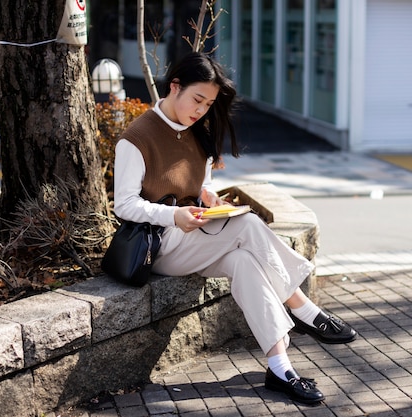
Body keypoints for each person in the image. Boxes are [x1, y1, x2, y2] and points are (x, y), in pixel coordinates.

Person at [113, 52, 357, 405]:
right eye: (197, 100)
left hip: (197, 236)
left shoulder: (199, 132)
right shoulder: (136, 138)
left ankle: (279, 367)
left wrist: (207, 196)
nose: (201, 110)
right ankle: (303, 308)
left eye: (208, 104)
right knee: (246, 224)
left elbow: (199, 185)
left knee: (245, 262)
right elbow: (124, 204)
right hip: (162, 244)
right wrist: (174, 217)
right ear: (174, 87)